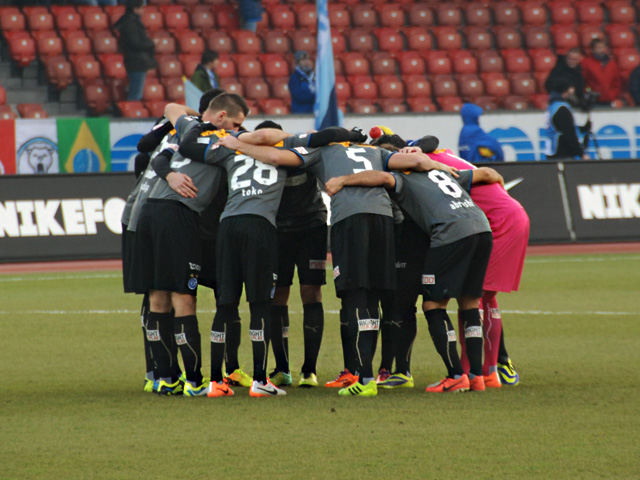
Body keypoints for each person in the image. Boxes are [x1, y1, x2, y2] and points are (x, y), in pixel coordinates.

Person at [214, 134, 457, 397]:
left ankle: (363, 378)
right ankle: (373, 373)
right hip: (383, 219)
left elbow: (273, 155)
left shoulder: (323, 151)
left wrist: (238, 145)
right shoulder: (373, 151)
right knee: (374, 297)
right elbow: (418, 162)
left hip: (350, 219)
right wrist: (441, 166)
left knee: (355, 296)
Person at [325, 165, 504, 394]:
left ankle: (456, 376)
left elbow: (381, 177)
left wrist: (342, 179)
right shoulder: (441, 172)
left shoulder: (404, 177)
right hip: (482, 229)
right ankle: (476, 377)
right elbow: (487, 173)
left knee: (433, 304)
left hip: (450, 232)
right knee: (469, 302)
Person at [130, 94, 248, 396]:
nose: (238, 130)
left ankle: (167, 379)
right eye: (236, 124)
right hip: (178, 216)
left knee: (158, 298)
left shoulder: (186, 127)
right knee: (184, 298)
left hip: (149, 213)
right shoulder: (224, 142)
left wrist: (169, 170)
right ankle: (194, 382)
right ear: (222, 117)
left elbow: (170, 111)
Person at [410, 136, 529, 387]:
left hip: (498, 222)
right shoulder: (447, 155)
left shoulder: (428, 165)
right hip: (508, 214)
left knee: (477, 297)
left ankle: (485, 371)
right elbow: (491, 174)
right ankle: (490, 369)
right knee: (480, 296)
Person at [114, 0, 157, 101]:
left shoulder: (129, 21)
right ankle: (131, 109)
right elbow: (135, 43)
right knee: (136, 94)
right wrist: (151, 44)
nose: (143, 10)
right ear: (135, 9)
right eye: (141, 8)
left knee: (136, 91)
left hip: (135, 60)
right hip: (136, 61)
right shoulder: (131, 23)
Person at [543, 78, 591, 160]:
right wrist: (581, 153)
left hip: (554, 150)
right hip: (562, 153)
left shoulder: (553, 106)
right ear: (565, 90)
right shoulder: (562, 109)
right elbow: (569, 134)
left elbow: (562, 128)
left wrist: (583, 129)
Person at [581, 38, 623, 106]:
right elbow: (584, 81)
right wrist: (589, 91)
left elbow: (617, 82)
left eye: (603, 47)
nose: (601, 50)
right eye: (598, 48)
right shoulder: (586, 63)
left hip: (610, 99)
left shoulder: (612, 63)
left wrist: (614, 94)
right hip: (594, 100)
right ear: (593, 49)